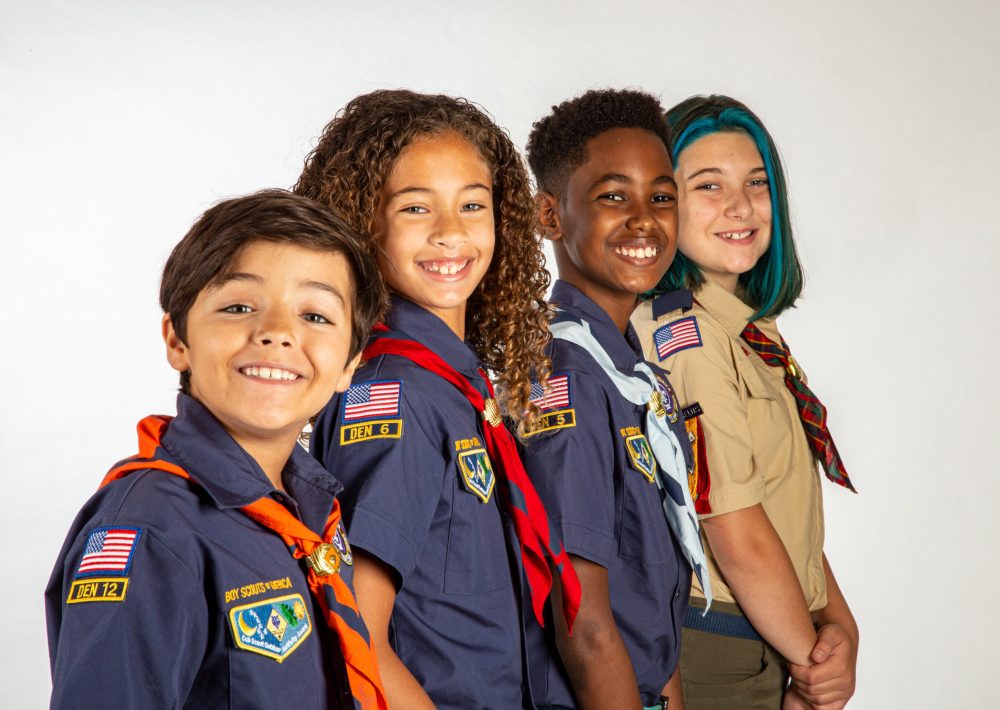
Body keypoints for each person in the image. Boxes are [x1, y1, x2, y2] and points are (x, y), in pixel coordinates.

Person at [45, 191, 388, 709]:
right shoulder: (151, 530)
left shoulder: (311, 511)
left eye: (316, 316)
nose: (277, 333)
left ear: (348, 366)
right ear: (177, 340)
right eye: (239, 307)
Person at [295, 89, 579, 710]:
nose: (451, 234)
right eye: (417, 208)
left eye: (472, 205)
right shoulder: (396, 394)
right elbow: (357, 630)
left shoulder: (461, 387)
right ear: (364, 220)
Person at [631, 95, 859, 710]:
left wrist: (841, 627)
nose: (740, 207)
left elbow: (783, 513)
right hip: (721, 648)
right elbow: (732, 527)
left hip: (772, 628)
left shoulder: (750, 335)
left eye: (756, 182)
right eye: (709, 186)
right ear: (662, 204)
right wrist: (812, 659)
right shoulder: (690, 340)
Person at [520, 88, 710, 710]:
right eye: (612, 196)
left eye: (661, 196)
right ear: (549, 216)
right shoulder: (567, 375)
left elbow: (652, 601)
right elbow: (586, 623)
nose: (644, 219)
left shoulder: (630, 373)